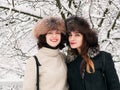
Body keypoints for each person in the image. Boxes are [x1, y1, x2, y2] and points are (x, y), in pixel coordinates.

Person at [65, 16, 120, 90]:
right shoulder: (70, 63)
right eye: (70, 35)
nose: (72, 38)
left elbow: (114, 86)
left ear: (85, 37)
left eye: (77, 35)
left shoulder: (103, 58)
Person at [23, 16, 68, 90]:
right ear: (44, 36)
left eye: (57, 33)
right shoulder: (34, 61)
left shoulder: (63, 57)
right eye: (50, 33)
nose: (54, 36)